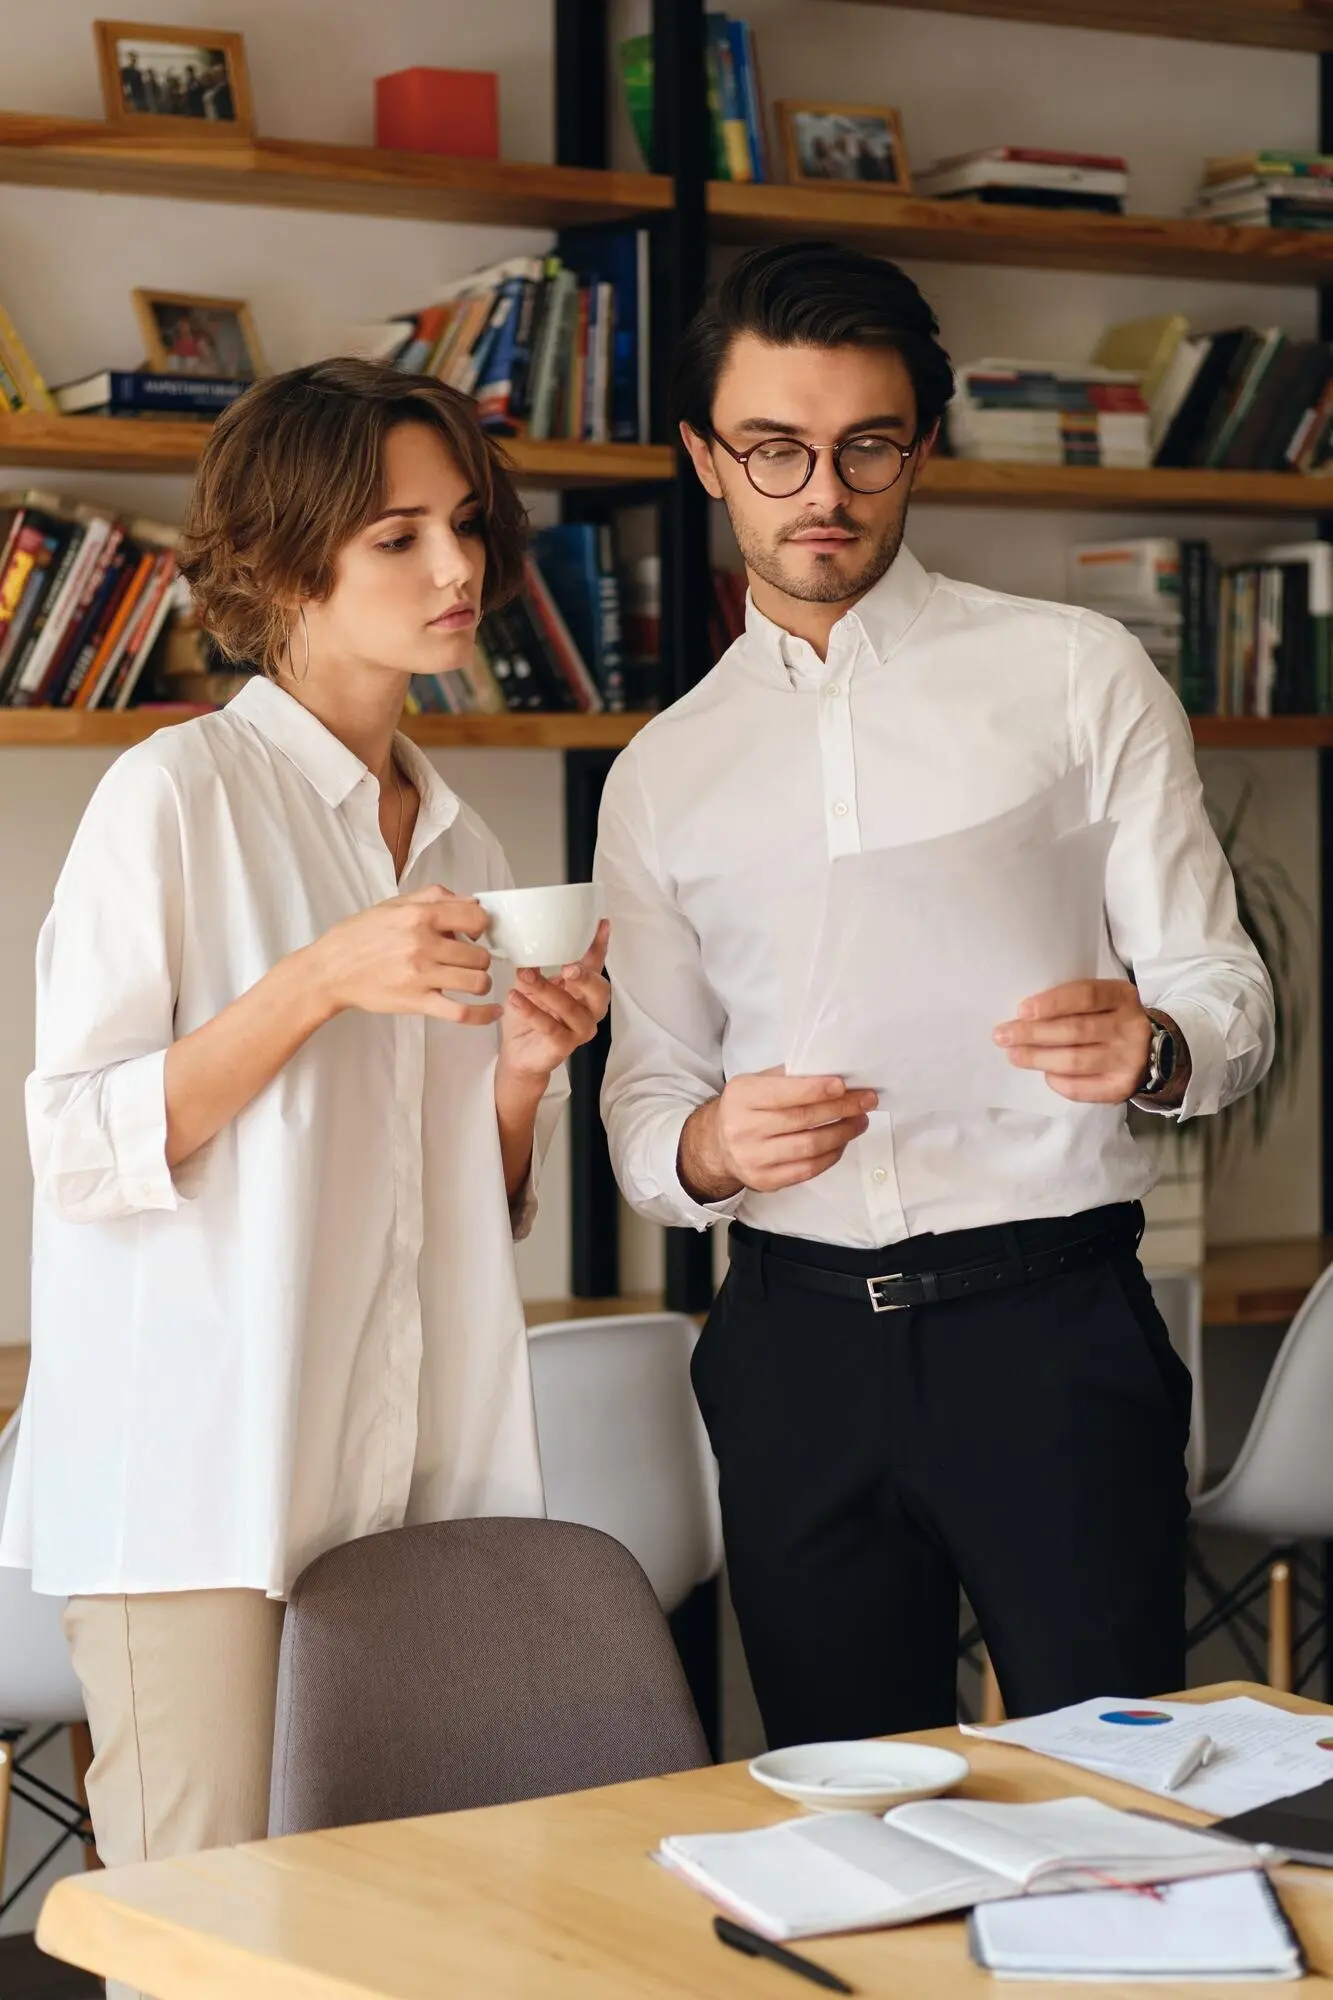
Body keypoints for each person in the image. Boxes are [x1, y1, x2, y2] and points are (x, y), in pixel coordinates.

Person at [595, 241, 1273, 1751]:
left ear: (922, 446)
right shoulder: (659, 774)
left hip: (1052, 1324)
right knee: (847, 1809)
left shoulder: (1078, 675)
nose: (820, 490)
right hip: (793, 1350)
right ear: (709, 457)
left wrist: (1157, 1043)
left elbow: (1229, 990)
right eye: (774, 448)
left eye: (866, 446)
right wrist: (708, 1150)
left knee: (1119, 1797)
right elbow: (647, 1102)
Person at [0, 359, 608, 1984]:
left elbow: (438, 1213)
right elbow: (75, 1138)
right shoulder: (176, 797)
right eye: (399, 535)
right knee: (207, 1947)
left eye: (465, 527)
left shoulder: (463, 847)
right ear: (281, 566)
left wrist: (526, 1079)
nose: (457, 569)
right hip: (197, 1486)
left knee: (388, 1938)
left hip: (395, 1476)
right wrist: (316, 980)